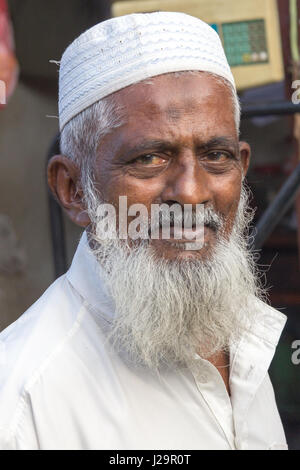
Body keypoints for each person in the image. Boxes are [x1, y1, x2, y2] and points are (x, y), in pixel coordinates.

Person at [0, 11, 288, 450]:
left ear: (242, 168)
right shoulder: (22, 407)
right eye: (150, 158)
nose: (191, 194)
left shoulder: (246, 333)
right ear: (74, 189)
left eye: (216, 155)